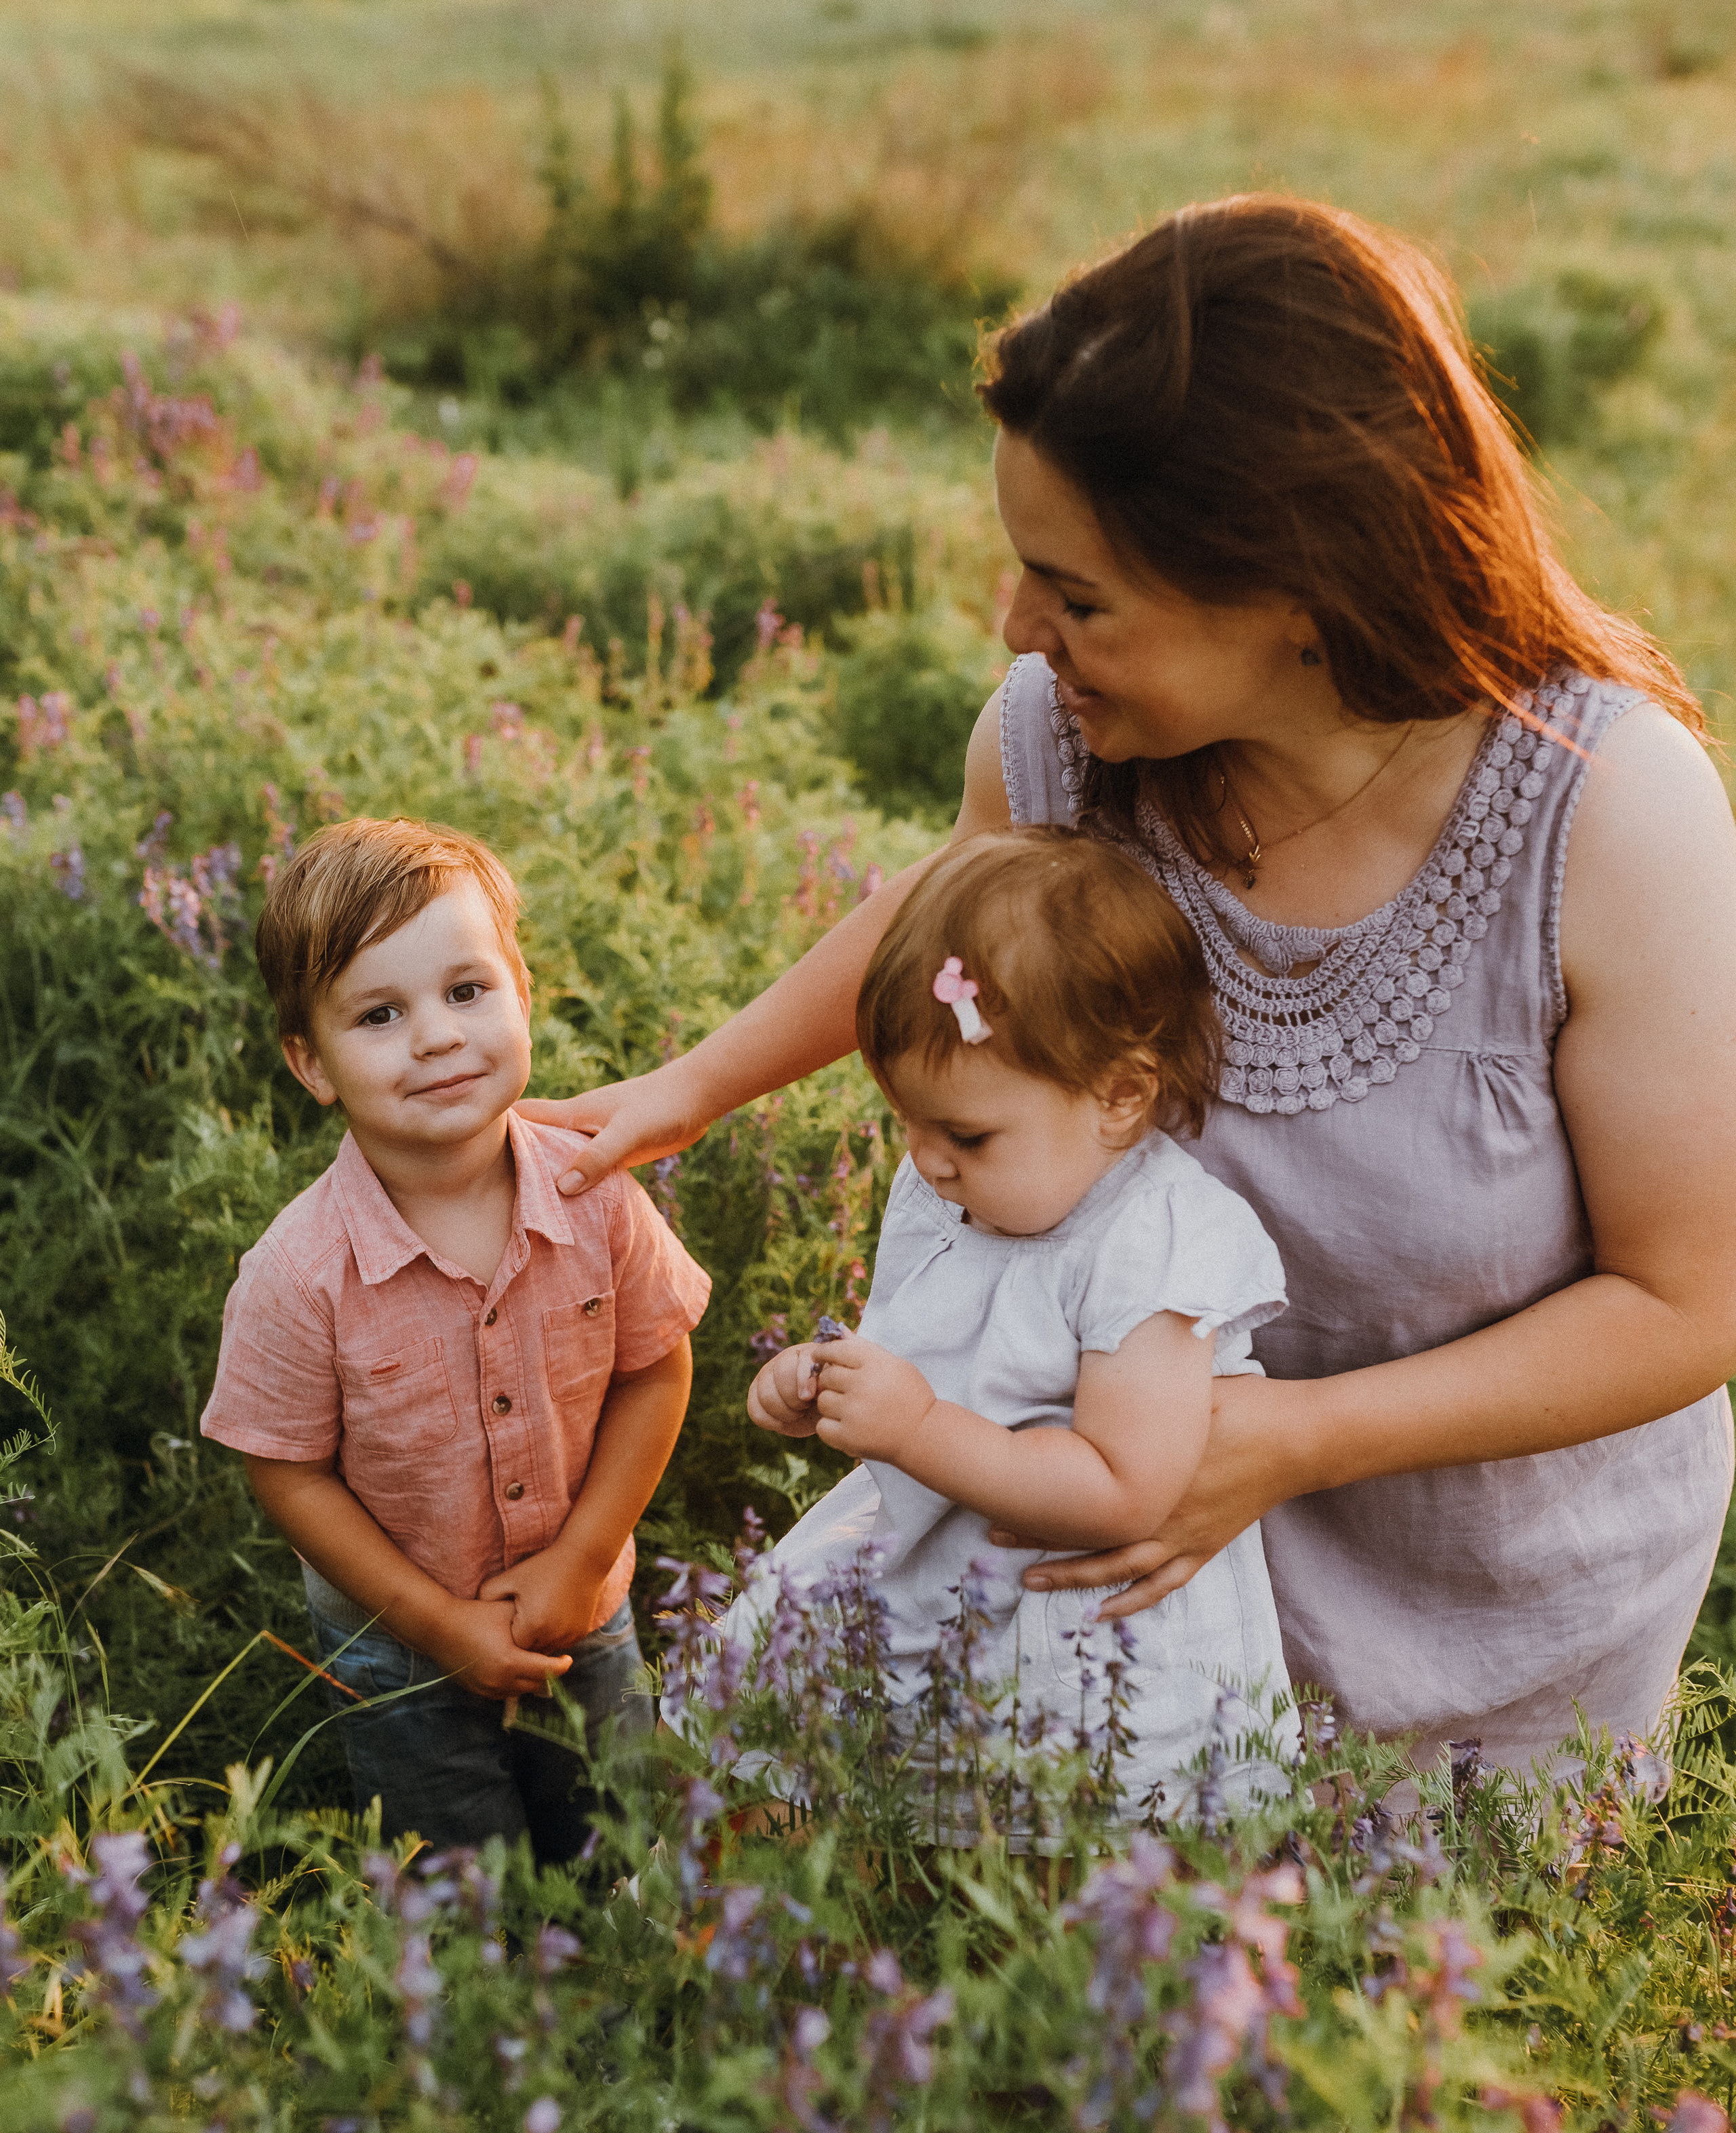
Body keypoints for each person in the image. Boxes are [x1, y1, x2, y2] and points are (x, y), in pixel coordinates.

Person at [526, 195, 1736, 1783]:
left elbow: (1685, 1305)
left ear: (1293, 584)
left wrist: (1276, 1446)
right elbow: (945, 929)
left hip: (1464, 1611)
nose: (1018, 630)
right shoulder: (1066, 744)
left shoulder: (1603, 813)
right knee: (728, 1851)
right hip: (1070, 1507)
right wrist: (688, 1090)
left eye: (1076, 595)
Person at [728, 826, 1290, 1837]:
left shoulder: (1149, 1247)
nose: (930, 1162)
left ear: (1120, 1096)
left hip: (1073, 1640)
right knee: (839, 1803)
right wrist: (820, 1379)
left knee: (1035, 1864)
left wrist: (915, 1431)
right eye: (910, 1122)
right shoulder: (961, 1190)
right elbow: (929, 1347)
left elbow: (1129, 1488)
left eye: (967, 1136)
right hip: (935, 1578)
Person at [201, 817, 711, 1857]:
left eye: (467, 992)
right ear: (312, 1064)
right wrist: (437, 1626)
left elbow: (656, 1367)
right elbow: (286, 1472)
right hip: (400, 1654)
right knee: (456, 1889)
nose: (436, 1036)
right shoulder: (300, 1273)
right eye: (380, 1014)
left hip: (583, 1614)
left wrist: (584, 1554)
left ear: (524, 993)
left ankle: (612, 2001)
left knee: (614, 1848)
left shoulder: (595, 1193)